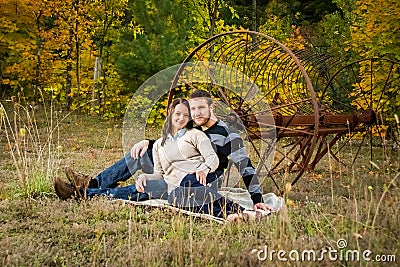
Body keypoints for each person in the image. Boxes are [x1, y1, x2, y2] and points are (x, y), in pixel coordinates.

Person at [54, 89, 272, 212]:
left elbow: (246, 168)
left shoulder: (228, 134)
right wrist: (148, 142)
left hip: (195, 183)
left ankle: (84, 194)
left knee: (149, 186)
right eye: (192, 109)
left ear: (212, 107)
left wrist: (256, 199)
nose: (195, 113)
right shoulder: (195, 127)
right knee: (141, 154)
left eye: (201, 108)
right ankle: (92, 183)